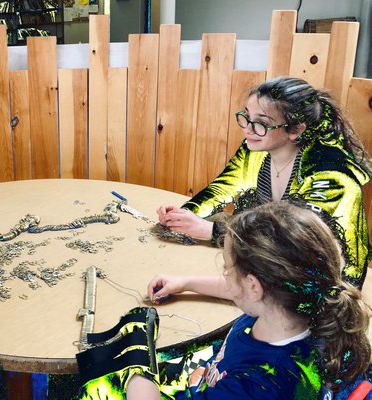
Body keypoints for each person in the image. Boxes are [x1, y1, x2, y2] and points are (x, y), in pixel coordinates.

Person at [129, 202, 371, 399]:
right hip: (215, 379)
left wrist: (136, 363)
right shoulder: (304, 307)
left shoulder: (258, 384)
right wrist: (186, 283)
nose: (226, 275)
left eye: (227, 268)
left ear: (254, 286)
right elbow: (241, 290)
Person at [157, 77, 372, 288]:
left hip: (324, 288)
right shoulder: (257, 149)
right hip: (269, 263)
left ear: (296, 130)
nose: (247, 129)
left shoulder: (330, 175)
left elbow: (292, 248)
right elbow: (223, 187)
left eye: (261, 123)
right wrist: (184, 214)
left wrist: (211, 231)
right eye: (246, 117)